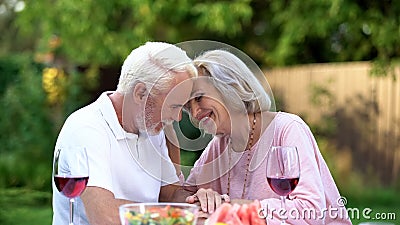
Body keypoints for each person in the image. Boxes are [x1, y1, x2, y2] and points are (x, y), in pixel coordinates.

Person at [52, 42, 224, 225]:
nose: (178, 116)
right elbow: (104, 217)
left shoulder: (151, 128)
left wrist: (197, 202)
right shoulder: (87, 128)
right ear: (141, 93)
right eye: (173, 106)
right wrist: (178, 216)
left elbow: (170, 195)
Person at [183, 49, 352, 224]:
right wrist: (200, 196)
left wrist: (239, 208)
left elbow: (310, 210)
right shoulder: (218, 146)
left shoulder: (287, 129)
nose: (195, 113)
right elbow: (181, 198)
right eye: (189, 106)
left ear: (231, 86)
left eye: (199, 98)